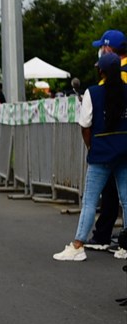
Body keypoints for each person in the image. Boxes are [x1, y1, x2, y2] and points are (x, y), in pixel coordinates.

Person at [53, 53, 127, 261]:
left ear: (101, 71)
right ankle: (126, 245)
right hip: (124, 151)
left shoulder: (92, 93)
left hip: (101, 153)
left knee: (90, 201)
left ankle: (78, 245)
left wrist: (91, 146)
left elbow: (85, 125)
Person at [84, 29, 127, 254]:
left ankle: (97, 236)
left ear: (109, 49)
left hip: (110, 143)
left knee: (106, 193)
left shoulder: (117, 76)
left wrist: (92, 143)